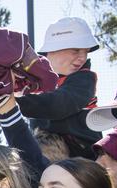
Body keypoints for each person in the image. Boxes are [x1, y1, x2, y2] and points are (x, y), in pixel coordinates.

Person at [15, 17, 102, 159]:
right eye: (76, 50)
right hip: (48, 150)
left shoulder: (84, 78)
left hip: (84, 155)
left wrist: (17, 99)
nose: (82, 57)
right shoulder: (34, 83)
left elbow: (59, 104)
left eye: (86, 51)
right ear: (52, 50)